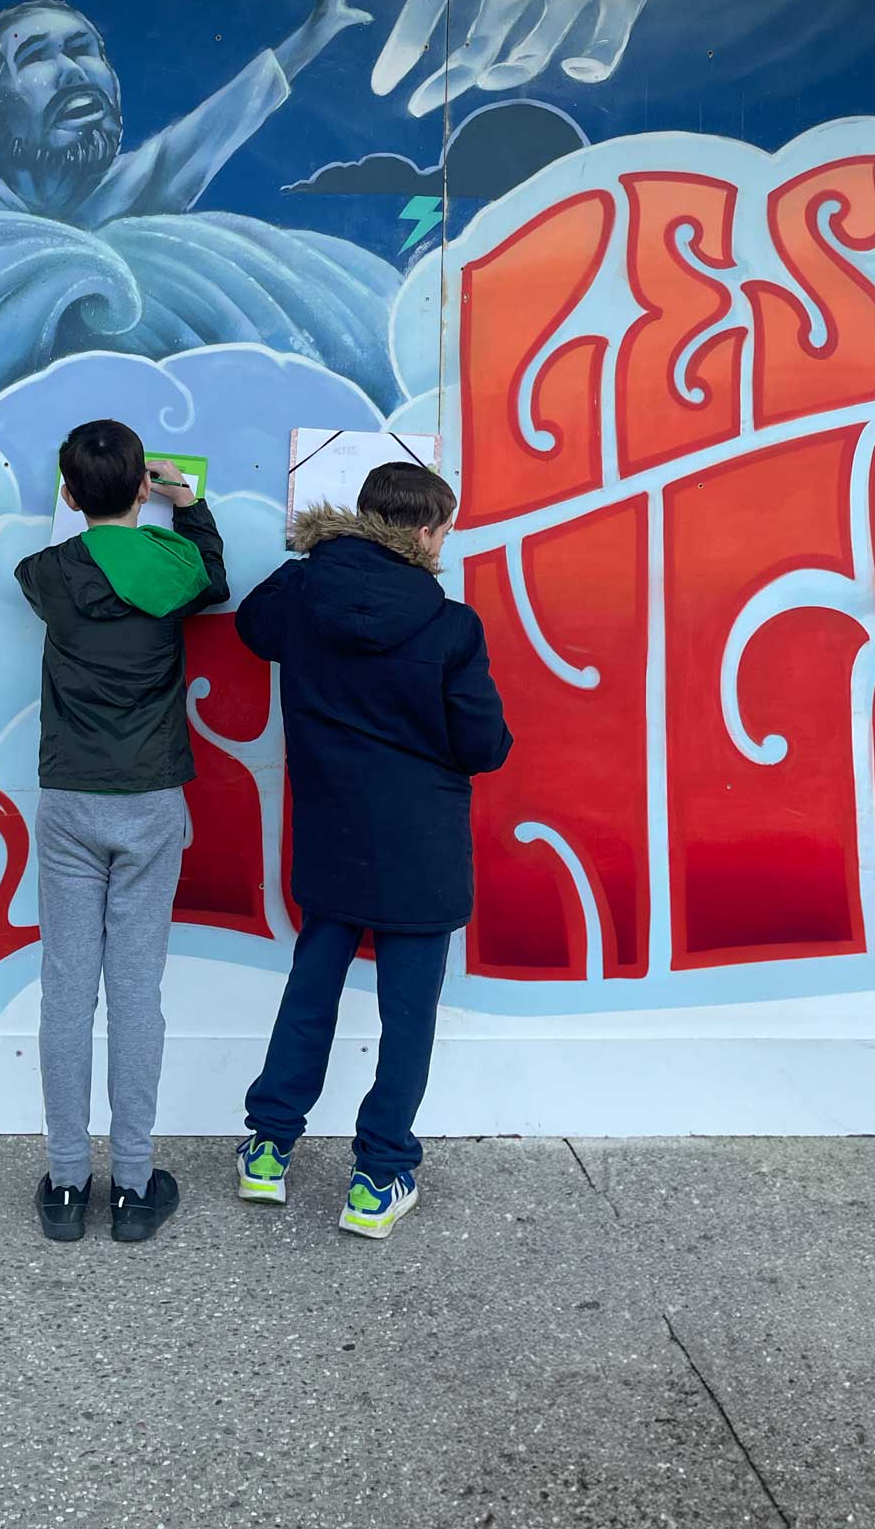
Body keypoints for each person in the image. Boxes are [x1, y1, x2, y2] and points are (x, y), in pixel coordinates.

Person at [232, 462, 512, 1240]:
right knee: (407, 1016)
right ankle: (378, 1176)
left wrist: (311, 556)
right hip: (420, 847)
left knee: (310, 991)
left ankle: (267, 1148)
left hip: (331, 834)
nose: (445, 542)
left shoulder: (301, 595)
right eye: (445, 529)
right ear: (423, 532)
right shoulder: (451, 626)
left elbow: (251, 626)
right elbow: (483, 746)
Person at [14, 419, 227, 1244]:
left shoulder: (45, 572)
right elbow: (212, 576)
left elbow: (40, 570)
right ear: (145, 486)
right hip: (148, 802)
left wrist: (95, 518)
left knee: (66, 991)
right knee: (136, 992)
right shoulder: (175, 565)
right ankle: (134, 1186)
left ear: (68, 496)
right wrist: (189, 504)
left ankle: (68, 1184)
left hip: (69, 798)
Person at [0, 0, 375, 227]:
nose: (74, 70)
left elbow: (223, 119)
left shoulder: (128, 190)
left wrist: (317, 29)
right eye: (35, 56)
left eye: (82, 48)